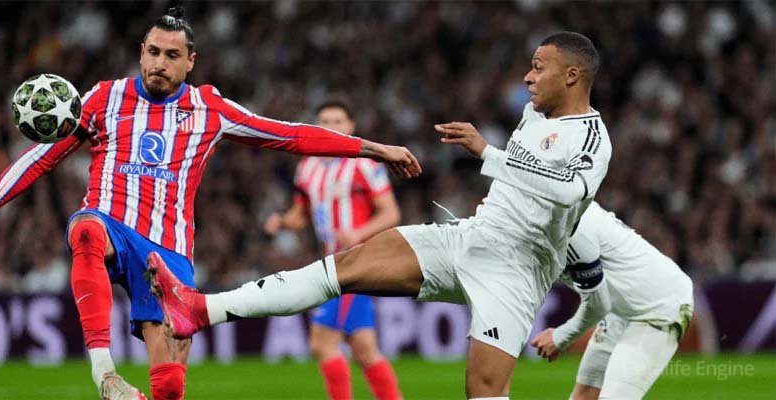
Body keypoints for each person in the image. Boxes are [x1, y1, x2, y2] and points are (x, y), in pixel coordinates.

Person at [0, 6, 420, 400]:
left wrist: (374, 148)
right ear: (140, 53)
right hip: (111, 223)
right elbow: (42, 156)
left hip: (168, 253)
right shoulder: (104, 99)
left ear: (190, 62)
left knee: (168, 387)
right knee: (85, 230)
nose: (158, 63)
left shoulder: (210, 109)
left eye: (171, 55)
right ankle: (104, 374)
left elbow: (290, 135)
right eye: (152, 52)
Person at [148, 31, 610, 399]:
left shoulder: (591, 137)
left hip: (515, 270)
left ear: (572, 75)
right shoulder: (534, 116)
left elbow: (569, 190)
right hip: (471, 237)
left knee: (483, 391)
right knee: (345, 267)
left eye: (539, 67)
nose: (528, 78)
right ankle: (200, 309)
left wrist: (489, 154)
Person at [264, 101, 403, 400]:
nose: (331, 127)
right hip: (332, 260)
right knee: (364, 349)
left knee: (322, 344)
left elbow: (391, 213)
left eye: (338, 121)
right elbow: (302, 214)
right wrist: (283, 222)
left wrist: (358, 233)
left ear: (351, 126)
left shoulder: (365, 165)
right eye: (325, 121)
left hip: (356, 262)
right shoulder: (308, 166)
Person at [529, 201, 694, 400]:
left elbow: (598, 304)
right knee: (584, 395)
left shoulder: (571, 226)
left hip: (659, 306)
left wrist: (560, 337)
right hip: (620, 309)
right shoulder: (544, 215)